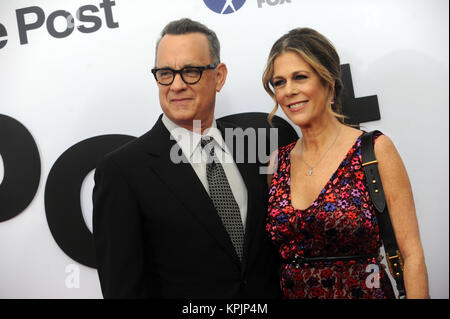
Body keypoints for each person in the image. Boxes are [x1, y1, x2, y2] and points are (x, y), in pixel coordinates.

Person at [92, 18, 281, 298]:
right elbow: (123, 289)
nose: (176, 85)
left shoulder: (255, 145)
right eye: (166, 73)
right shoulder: (122, 171)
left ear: (219, 76)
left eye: (190, 71)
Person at [263, 27, 429, 299]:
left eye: (300, 77)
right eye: (279, 82)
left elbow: (411, 255)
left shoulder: (373, 149)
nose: (289, 91)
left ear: (327, 80)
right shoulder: (276, 163)